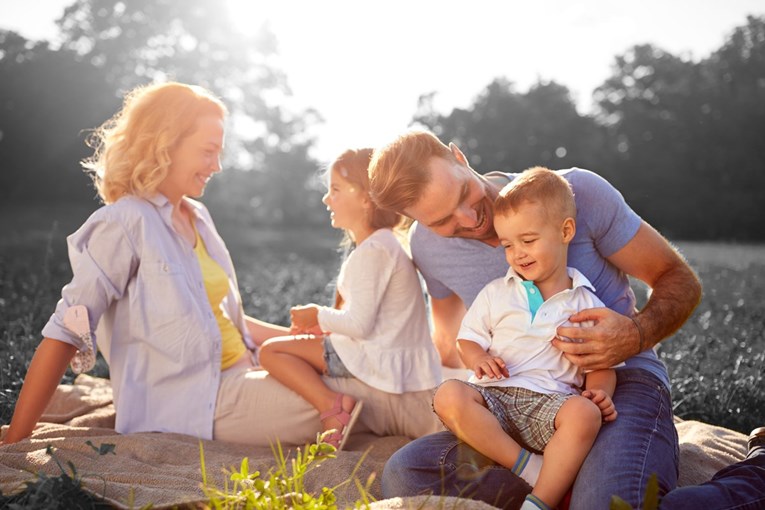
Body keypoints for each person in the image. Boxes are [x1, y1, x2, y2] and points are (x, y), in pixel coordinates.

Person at [0, 84, 441, 448]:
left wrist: (305, 337)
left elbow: (227, 322)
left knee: (362, 376)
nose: (218, 165)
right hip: (197, 401)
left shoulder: (197, 217)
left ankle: (466, 407)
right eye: (208, 151)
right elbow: (67, 330)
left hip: (242, 372)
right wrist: (18, 437)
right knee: (360, 395)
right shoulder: (123, 223)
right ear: (164, 145)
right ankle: (459, 420)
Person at [367, 130, 701, 508]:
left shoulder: (576, 194)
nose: (469, 219)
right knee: (406, 473)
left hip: (616, 384)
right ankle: (552, 485)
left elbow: (678, 279)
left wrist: (636, 333)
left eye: (463, 194)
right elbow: (449, 340)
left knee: (608, 504)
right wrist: (462, 402)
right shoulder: (428, 247)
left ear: (459, 157)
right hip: (513, 398)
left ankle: (752, 473)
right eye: (442, 220)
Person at [433, 167, 618, 510]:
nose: (517, 253)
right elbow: (467, 340)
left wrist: (600, 392)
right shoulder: (496, 293)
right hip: (493, 399)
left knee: (586, 415)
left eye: (528, 241)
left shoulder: (585, 302)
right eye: (507, 245)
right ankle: (532, 469)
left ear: (565, 231)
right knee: (448, 394)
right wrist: (478, 360)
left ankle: (539, 502)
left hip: (549, 406)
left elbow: (602, 364)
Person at [258, 148, 442, 450]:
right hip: (385, 353)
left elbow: (360, 324)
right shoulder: (384, 245)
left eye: (335, 190)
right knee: (290, 348)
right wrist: (327, 327)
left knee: (271, 353)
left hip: (374, 358)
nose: (326, 199)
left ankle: (332, 406)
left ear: (366, 198)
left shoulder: (373, 251)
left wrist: (316, 315)